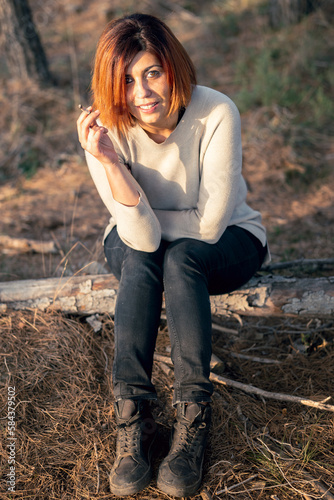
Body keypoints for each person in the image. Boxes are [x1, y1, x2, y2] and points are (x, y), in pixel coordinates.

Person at [77, 12, 269, 498]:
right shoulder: (103, 131)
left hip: (229, 239)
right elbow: (140, 239)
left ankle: (191, 423)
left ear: (172, 67)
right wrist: (110, 162)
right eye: (125, 79)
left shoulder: (216, 112)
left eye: (152, 72)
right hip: (136, 236)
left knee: (181, 259)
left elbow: (209, 225)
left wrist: (156, 219)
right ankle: (133, 420)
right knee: (146, 259)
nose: (141, 92)